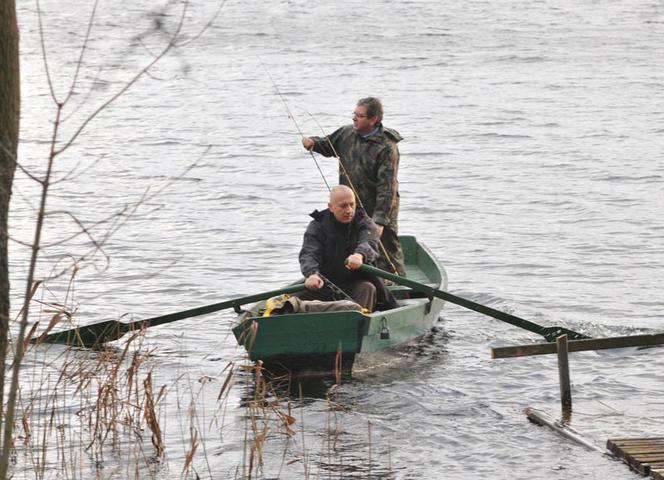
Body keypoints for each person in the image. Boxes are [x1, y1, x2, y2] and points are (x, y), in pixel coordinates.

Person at [302, 97, 406, 276]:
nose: (354, 119)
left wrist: (380, 220)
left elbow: (386, 188)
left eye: (360, 116)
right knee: (352, 241)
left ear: (373, 119)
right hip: (351, 204)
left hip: (379, 206)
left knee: (385, 246)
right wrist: (313, 143)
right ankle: (356, 278)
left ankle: (398, 285)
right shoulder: (346, 133)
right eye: (354, 114)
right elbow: (327, 146)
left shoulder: (387, 147)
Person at [296, 185, 397, 312]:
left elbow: (369, 241)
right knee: (292, 300)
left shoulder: (364, 221)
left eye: (352, 205)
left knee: (368, 288)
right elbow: (309, 252)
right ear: (331, 207)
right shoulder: (317, 226)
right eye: (343, 206)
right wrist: (311, 274)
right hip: (323, 284)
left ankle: (358, 324)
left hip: (353, 283)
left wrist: (359, 255)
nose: (349, 210)